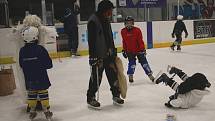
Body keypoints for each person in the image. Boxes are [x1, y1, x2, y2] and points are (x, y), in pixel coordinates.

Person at [86, 0, 124, 109]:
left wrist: (113, 51)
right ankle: (91, 97)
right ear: (104, 10)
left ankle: (116, 95)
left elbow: (109, 37)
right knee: (96, 78)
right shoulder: (93, 21)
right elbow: (91, 41)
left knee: (113, 75)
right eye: (109, 10)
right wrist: (92, 56)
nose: (111, 13)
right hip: (98, 56)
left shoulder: (106, 20)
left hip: (109, 55)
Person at [19, 26, 53, 120]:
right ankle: (46, 111)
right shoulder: (40, 49)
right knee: (43, 93)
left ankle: (32, 112)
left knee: (31, 95)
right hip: (41, 78)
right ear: (35, 37)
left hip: (29, 79)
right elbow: (49, 64)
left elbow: (21, 65)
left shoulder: (22, 51)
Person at [121, 16, 154, 83]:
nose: (129, 24)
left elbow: (140, 40)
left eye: (130, 23)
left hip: (139, 50)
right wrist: (124, 50)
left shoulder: (137, 30)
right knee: (132, 64)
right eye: (127, 23)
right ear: (125, 23)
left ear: (133, 23)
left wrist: (142, 49)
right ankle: (130, 75)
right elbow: (124, 41)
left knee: (144, 63)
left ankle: (150, 74)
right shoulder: (123, 31)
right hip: (130, 51)